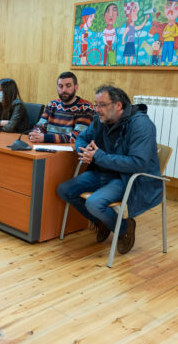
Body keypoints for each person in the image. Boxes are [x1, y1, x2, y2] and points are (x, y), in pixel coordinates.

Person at [57, 85, 162, 255]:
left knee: (94, 203)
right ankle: (105, 222)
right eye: (96, 105)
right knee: (64, 190)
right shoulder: (101, 119)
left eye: (102, 105)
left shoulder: (141, 124)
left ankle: (124, 227)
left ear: (118, 105)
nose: (97, 110)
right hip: (104, 171)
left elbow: (138, 163)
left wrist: (98, 156)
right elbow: (81, 138)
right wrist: (85, 151)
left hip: (128, 177)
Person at [28, 72, 93, 144]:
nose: (64, 90)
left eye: (68, 86)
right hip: (46, 147)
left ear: (76, 87)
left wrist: (45, 138)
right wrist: (35, 134)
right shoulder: (52, 104)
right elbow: (40, 126)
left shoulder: (85, 107)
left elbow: (78, 135)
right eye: (60, 86)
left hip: (70, 150)